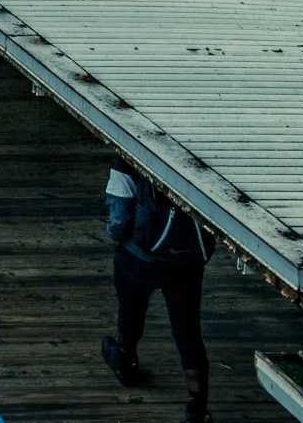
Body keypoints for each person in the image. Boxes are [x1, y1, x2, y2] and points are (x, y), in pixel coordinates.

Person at [101, 157, 218, 423]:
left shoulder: (125, 162)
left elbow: (118, 222)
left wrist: (121, 239)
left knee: (131, 313)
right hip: (187, 262)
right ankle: (197, 409)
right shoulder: (202, 159)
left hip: (140, 257)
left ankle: (127, 363)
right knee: (188, 334)